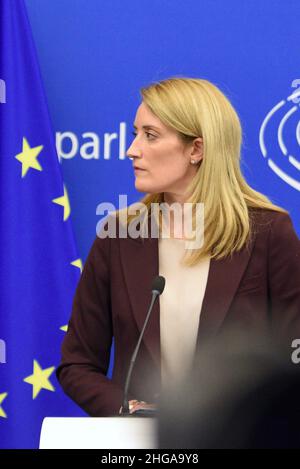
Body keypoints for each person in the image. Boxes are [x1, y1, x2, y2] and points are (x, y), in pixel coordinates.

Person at [56, 77, 300, 417]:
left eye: (150, 135)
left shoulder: (268, 233)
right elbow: (77, 364)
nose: (132, 149)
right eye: (134, 134)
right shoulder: (118, 236)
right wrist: (130, 408)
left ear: (196, 150)